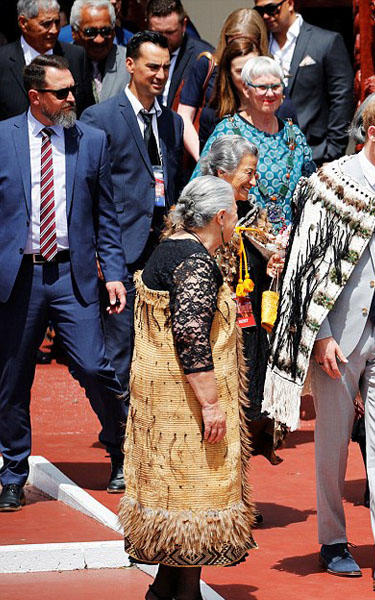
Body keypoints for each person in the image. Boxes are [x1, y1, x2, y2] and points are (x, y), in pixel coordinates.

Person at [262, 92, 375, 589]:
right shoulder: (327, 184)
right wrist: (318, 335)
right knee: (333, 445)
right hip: (340, 336)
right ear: (373, 133)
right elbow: (304, 268)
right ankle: (333, 540)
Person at [120, 175, 256, 600]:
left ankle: (164, 589)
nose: (237, 222)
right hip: (185, 410)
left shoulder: (167, 250)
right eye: (234, 214)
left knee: (177, 500)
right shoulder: (197, 263)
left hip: (159, 403)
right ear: (219, 217)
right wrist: (212, 404)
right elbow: (191, 333)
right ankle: (182, 595)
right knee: (194, 501)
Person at [0, 55, 127, 510]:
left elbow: (105, 215)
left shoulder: (91, 141)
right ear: (35, 97)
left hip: (73, 277)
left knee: (96, 367)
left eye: (73, 89)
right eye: (62, 93)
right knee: (12, 379)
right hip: (18, 278)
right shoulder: (2, 139)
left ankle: (120, 450)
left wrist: (113, 272)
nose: (73, 98)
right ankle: (13, 472)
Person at [80, 31, 183, 395]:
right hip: (118, 250)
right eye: (152, 66)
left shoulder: (172, 122)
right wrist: (95, 251)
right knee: (119, 347)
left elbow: (171, 183)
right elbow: (86, 191)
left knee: (161, 344)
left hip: (161, 249)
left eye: (166, 67)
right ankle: (119, 435)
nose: (160, 74)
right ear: (130, 65)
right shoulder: (100, 118)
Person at [194, 135, 287, 467]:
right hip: (211, 330)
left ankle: (238, 493)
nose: (254, 179)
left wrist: (272, 263)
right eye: (248, 172)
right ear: (222, 173)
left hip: (248, 329)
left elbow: (262, 259)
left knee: (245, 412)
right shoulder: (197, 217)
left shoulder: (252, 215)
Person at [195, 56, 314, 231]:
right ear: (246, 88)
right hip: (240, 236)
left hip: (288, 239)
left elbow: (312, 186)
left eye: (275, 86)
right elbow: (202, 185)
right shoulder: (228, 129)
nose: (270, 93)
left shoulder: (294, 134)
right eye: (262, 87)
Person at [254, 0, 354, 164]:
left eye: (272, 9)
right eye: (259, 11)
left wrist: (333, 150)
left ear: (290, 4)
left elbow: (342, 98)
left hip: (316, 153)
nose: (265, 16)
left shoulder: (325, 42)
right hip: (268, 156)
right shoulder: (259, 46)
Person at [176, 8, 272, 160]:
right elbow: (184, 116)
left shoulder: (269, 73)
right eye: (233, 41)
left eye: (246, 42)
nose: (239, 47)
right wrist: (204, 159)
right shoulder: (208, 64)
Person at [0, 0, 94, 120]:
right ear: (23, 23)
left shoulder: (76, 56)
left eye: (57, 22)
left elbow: (86, 110)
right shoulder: (3, 61)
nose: (54, 30)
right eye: (46, 24)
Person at [145, 0, 212, 110]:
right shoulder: (140, 52)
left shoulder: (202, 57)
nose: (163, 39)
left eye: (170, 32)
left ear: (184, 25)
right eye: (157, 33)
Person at [68, 0, 129, 103]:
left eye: (106, 31)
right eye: (90, 32)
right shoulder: (62, 60)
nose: (99, 39)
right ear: (74, 32)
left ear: (114, 30)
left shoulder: (129, 62)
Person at [59, 0, 133, 46]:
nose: (114, 1)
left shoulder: (129, 39)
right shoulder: (61, 39)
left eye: (105, 31)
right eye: (90, 32)